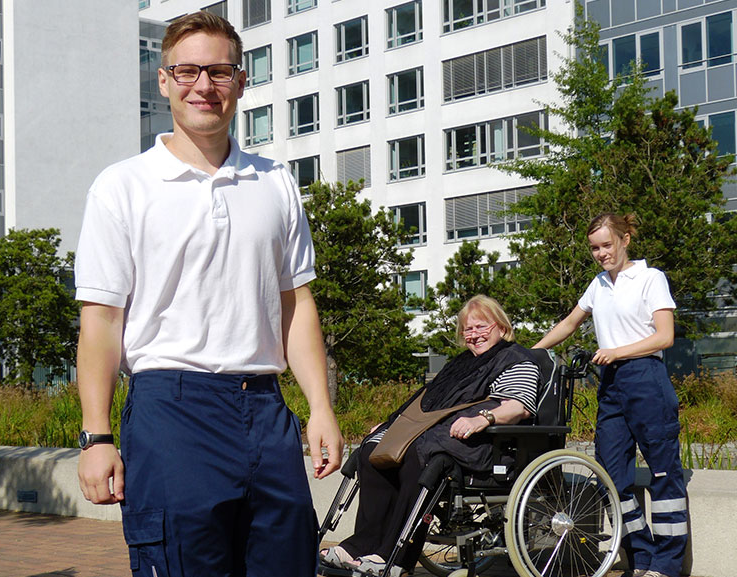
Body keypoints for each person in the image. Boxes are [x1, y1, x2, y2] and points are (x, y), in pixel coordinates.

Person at [74, 12, 343, 577]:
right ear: (165, 80)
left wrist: (320, 407)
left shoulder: (275, 182)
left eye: (219, 72)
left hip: (267, 411)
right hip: (171, 409)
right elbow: (101, 320)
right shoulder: (123, 186)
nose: (204, 86)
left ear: (241, 82)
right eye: (188, 71)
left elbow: (296, 304)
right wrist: (96, 435)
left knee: (288, 563)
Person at [320, 295, 539, 576]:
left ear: (500, 326)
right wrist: (391, 425)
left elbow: (518, 406)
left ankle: (392, 555)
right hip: (440, 436)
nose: (474, 335)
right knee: (372, 449)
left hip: (484, 444)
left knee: (418, 455)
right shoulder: (460, 364)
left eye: (481, 327)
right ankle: (360, 546)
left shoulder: (516, 358)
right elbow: (426, 404)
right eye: (468, 330)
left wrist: (483, 418)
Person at [533, 213, 687, 577]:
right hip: (611, 384)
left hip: (646, 377)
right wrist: (529, 355)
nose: (601, 253)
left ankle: (667, 564)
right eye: (594, 248)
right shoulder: (598, 284)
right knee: (612, 477)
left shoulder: (651, 278)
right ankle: (641, 556)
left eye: (606, 245)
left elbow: (665, 336)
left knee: (664, 473)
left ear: (625, 239)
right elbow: (570, 324)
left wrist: (618, 351)